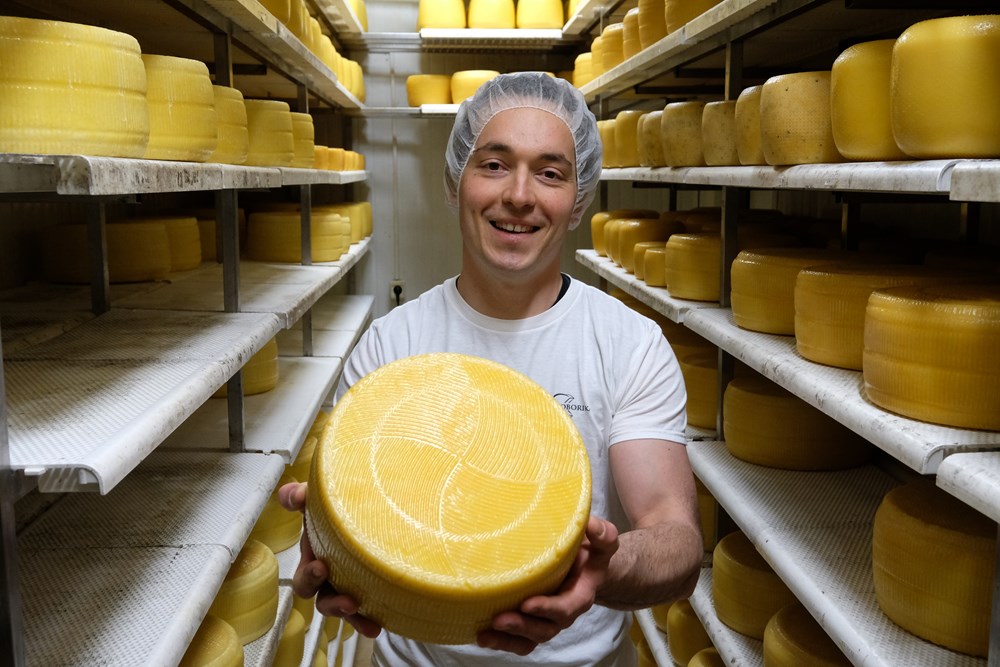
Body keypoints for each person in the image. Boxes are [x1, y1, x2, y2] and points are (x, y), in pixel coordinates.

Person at [279, 71, 703, 666]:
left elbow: (675, 536)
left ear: (578, 201)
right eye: (495, 165)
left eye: (550, 173)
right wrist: (331, 540)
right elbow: (358, 509)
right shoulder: (392, 346)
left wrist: (593, 571)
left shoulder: (629, 343)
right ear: (457, 183)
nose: (520, 195)